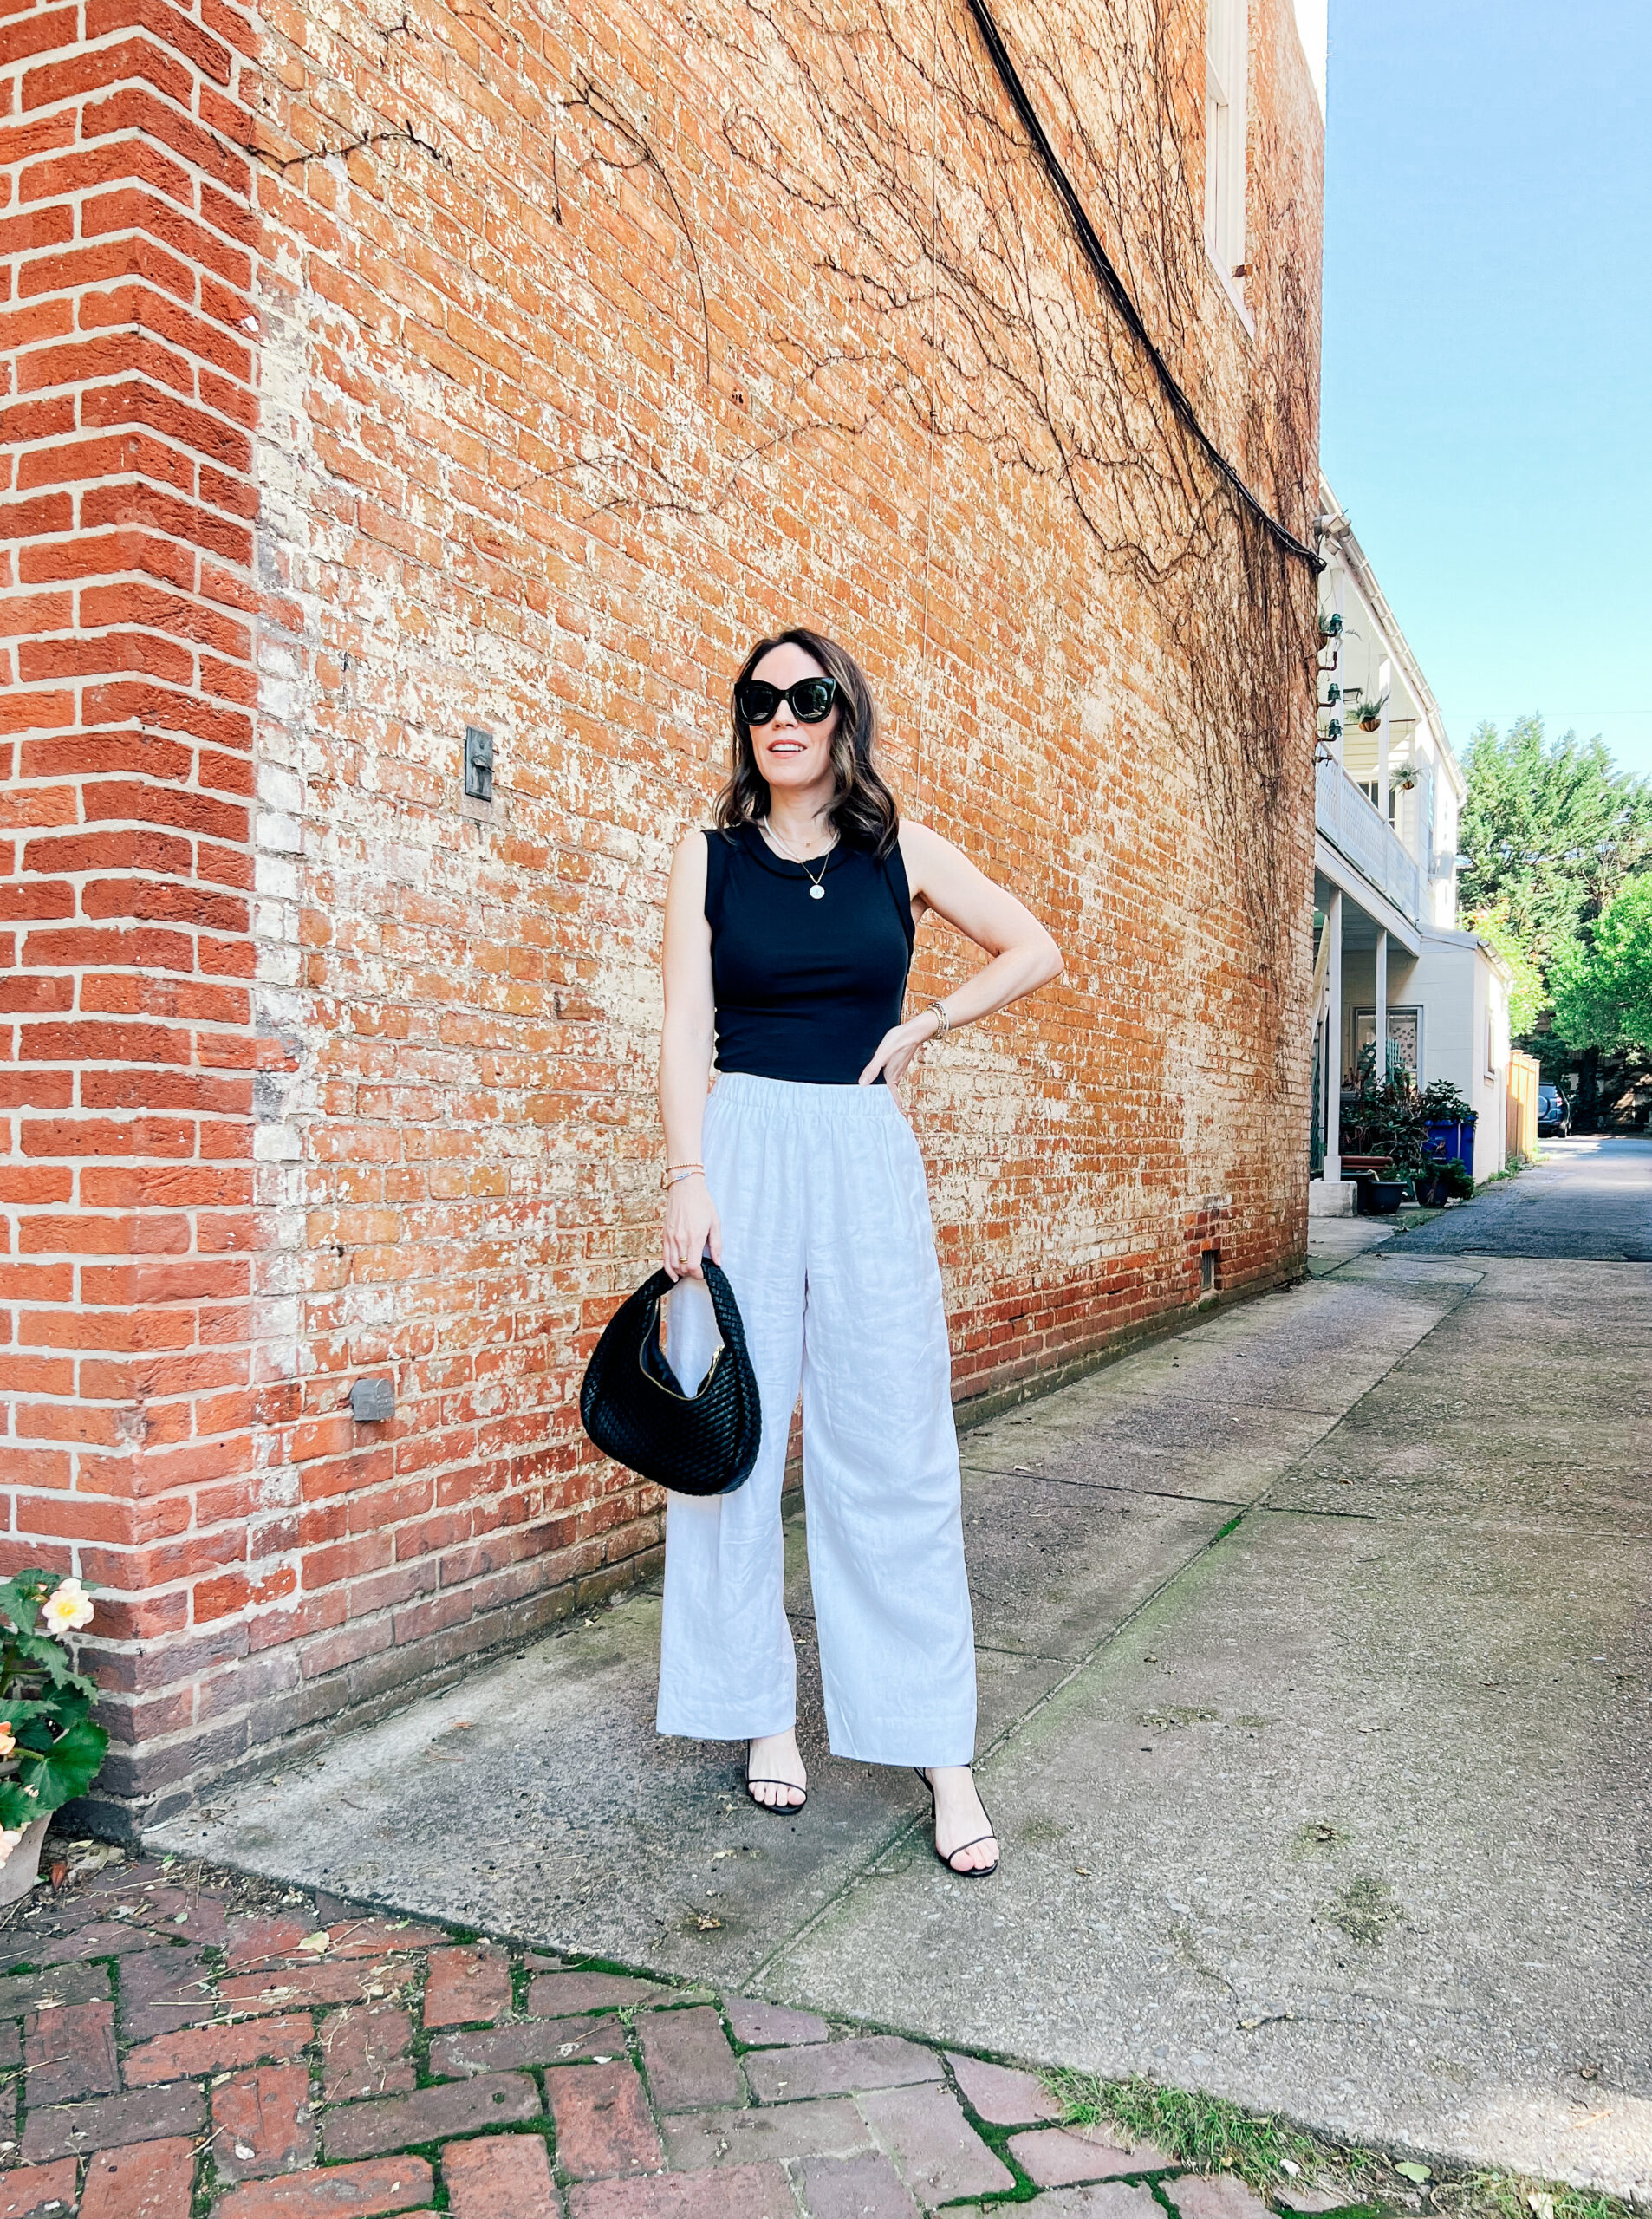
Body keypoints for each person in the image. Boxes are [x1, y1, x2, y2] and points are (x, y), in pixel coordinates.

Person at [654, 625, 1062, 1876]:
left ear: (844, 714)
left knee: (894, 1445)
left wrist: (928, 1022)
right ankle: (759, 1712)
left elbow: (1034, 947)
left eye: (807, 696)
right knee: (728, 1445)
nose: (782, 717)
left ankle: (938, 1750)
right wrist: (685, 1177)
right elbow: (681, 1025)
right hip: (741, 1145)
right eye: (760, 700)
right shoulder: (709, 857)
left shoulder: (903, 854)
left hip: (863, 1148)